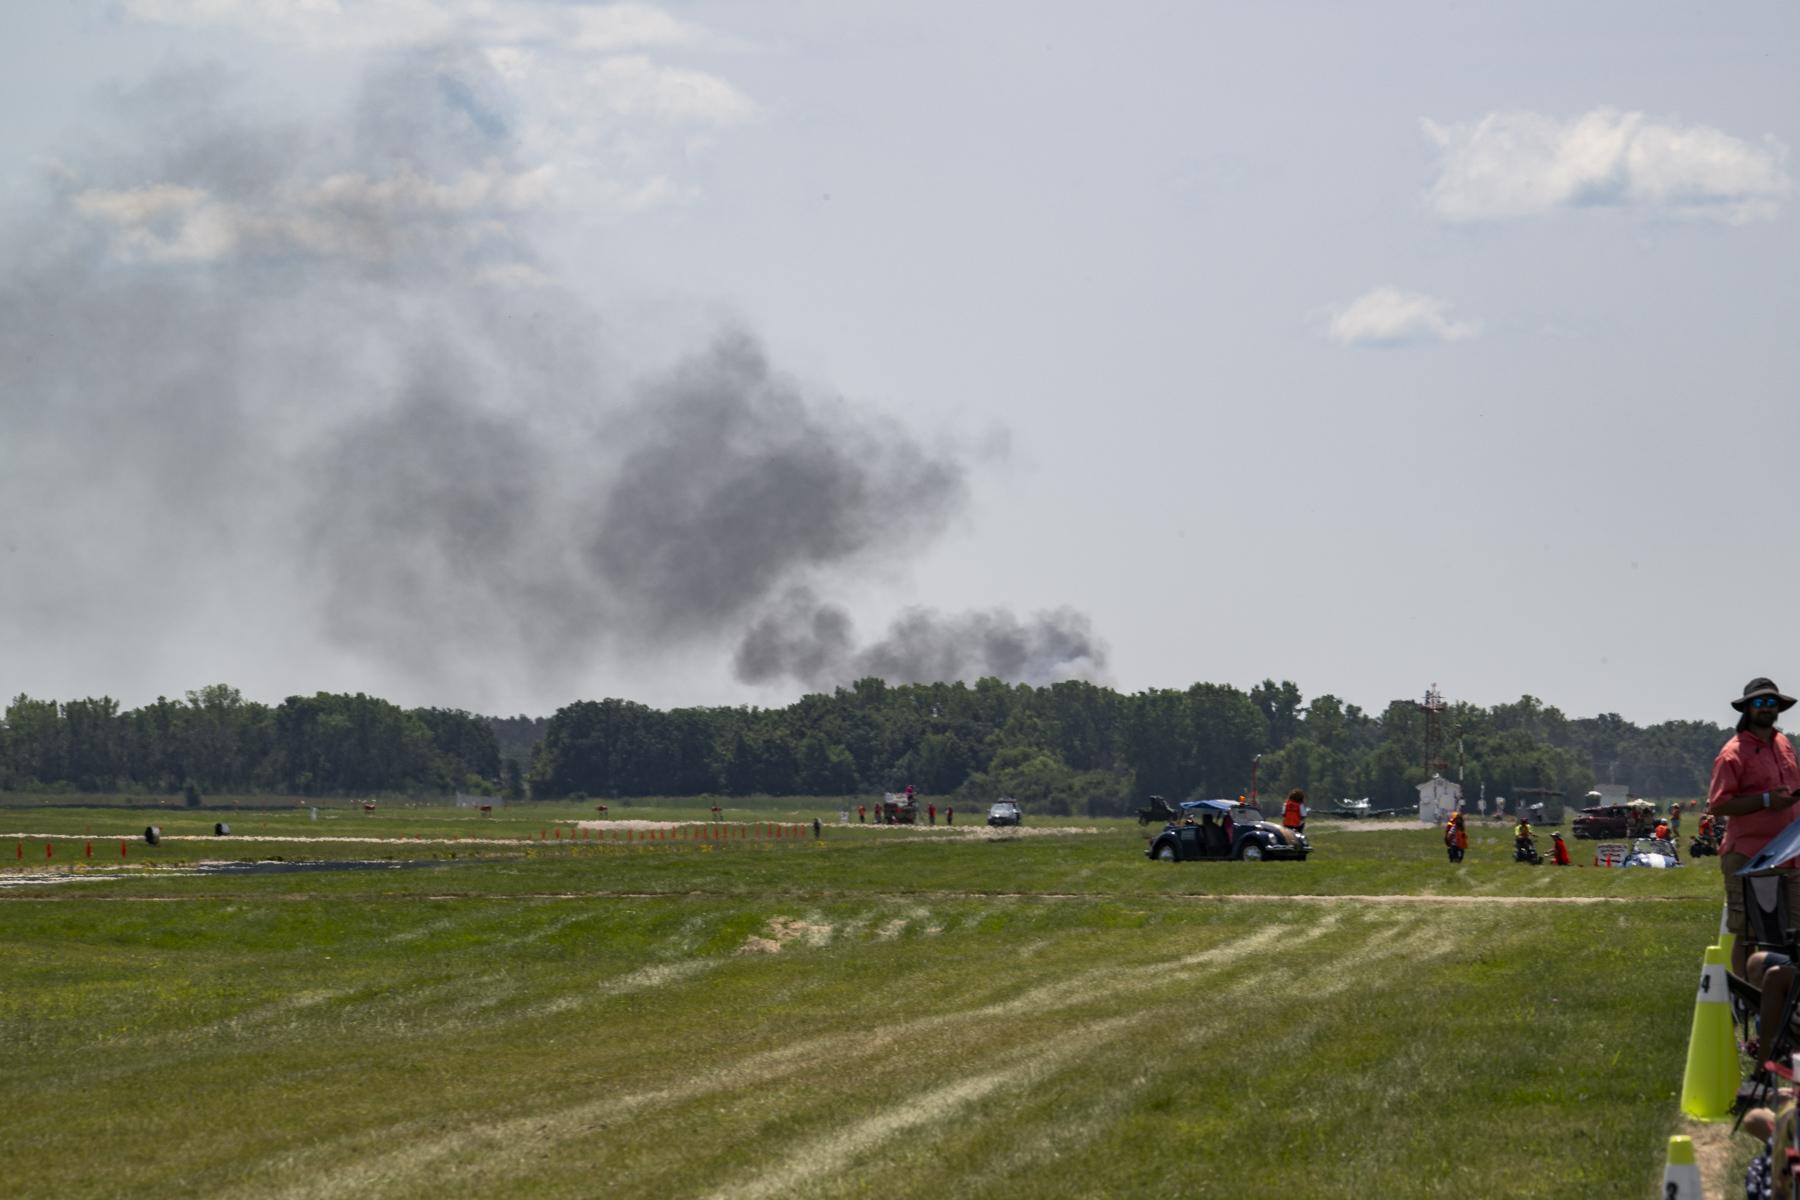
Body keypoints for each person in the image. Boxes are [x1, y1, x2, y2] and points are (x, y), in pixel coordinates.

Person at [1709, 678, 1800, 978]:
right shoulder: (1732, 753)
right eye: (1759, 703)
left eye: (1771, 702)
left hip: (1790, 853)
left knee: (1792, 931)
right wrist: (1764, 800)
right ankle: (1747, 1000)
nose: (1766, 708)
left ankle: (1786, 1002)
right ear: (1747, 708)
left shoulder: (1784, 744)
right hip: (1748, 855)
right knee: (1748, 932)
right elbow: (1719, 805)